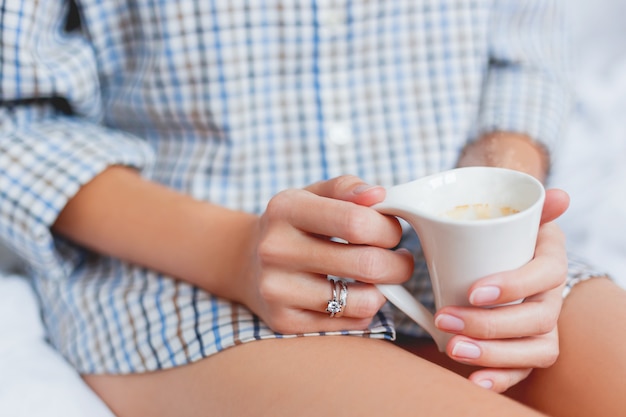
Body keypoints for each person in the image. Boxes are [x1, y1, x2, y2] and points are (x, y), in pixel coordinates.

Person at [1, 1, 625, 416]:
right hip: (182, 258)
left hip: (449, 238)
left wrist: (501, 202)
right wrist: (232, 253)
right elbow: (14, 118)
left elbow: (526, 50)